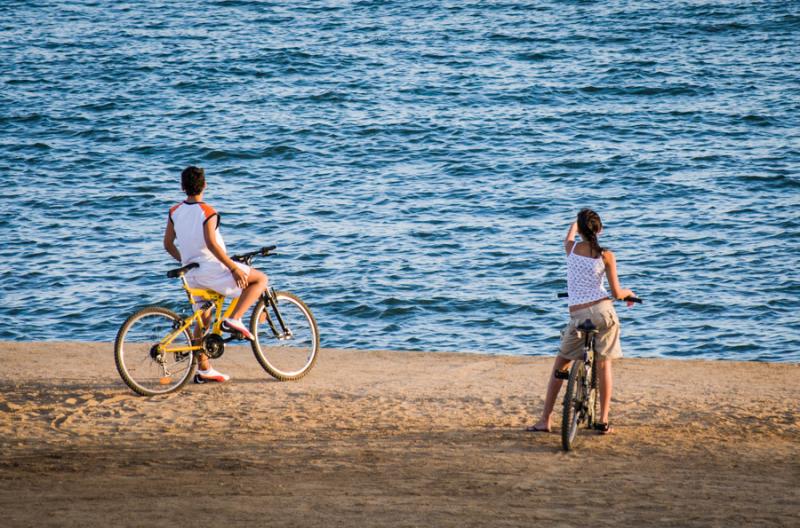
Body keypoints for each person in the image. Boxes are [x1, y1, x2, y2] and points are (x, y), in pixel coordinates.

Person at [527, 209, 635, 434]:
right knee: (604, 364)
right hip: (604, 313)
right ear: (600, 230)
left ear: (581, 229)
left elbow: (567, 238)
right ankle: (603, 421)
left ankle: (545, 419)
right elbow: (616, 292)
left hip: (578, 317)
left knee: (561, 364)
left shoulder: (572, 249)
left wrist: (574, 225)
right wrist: (629, 293)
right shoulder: (606, 255)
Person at [163, 166, 269, 383]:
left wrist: (185, 260)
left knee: (203, 319)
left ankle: (204, 369)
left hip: (192, 273)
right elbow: (211, 244)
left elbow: (167, 244)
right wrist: (232, 267)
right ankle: (235, 318)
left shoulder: (175, 211)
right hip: (213, 270)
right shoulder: (208, 211)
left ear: (183, 187)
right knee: (260, 279)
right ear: (204, 185)